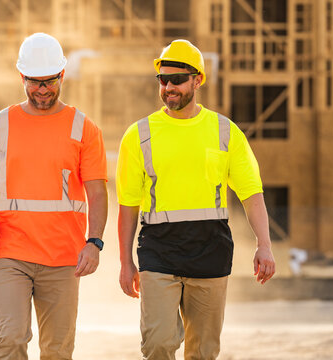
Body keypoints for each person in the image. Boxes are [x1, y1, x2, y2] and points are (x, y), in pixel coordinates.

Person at [116, 39, 276, 360]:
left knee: (203, 351)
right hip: (158, 251)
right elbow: (128, 206)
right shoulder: (139, 134)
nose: (169, 87)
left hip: (210, 250)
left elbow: (251, 193)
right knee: (157, 343)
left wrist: (264, 244)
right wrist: (124, 262)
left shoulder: (225, 131)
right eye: (163, 80)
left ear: (197, 79)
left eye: (177, 80)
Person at [0, 32, 108, 360]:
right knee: (10, 340)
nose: (42, 90)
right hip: (10, 253)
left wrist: (94, 242)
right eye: (34, 82)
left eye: (49, 82)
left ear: (62, 75)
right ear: (22, 77)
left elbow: (97, 191)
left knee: (57, 351)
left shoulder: (84, 129)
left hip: (64, 258)